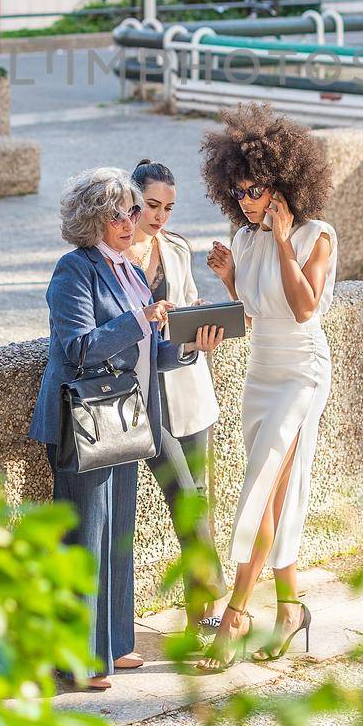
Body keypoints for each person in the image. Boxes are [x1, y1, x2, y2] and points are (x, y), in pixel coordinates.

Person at [29, 166, 215, 690]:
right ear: (94, 220)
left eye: (132, 211)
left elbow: (147, 352)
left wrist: (186, 345)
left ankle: (112, 645)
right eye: (119, 214)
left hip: (124, 417)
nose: (130, 221)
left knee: (116, 534)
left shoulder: (125, 271)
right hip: (82, 420)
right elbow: (78, 348)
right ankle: (76, 658)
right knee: (85, 535)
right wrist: (139, 320)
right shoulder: (75, 269)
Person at [197, 105, 337, 670]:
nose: (248, 200)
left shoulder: (315, 236)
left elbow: (304, 308)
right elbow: (252, 316)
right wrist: (232, 278)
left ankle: (234, 617)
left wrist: (282, 242)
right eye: (239, 191)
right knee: (273, 494)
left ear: (284, 183)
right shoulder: (245, 238)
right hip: (261, 374)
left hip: (302, 374)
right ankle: (289, 609)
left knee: (256, 491)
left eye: (256, 189)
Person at [127, 158, 227, 629]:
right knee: (183, 493)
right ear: (130, 199)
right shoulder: (115, 254)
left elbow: (185, 302)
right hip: (145, 396)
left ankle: (198, 616)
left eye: (168, 207)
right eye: (151, 205)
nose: (160, 216)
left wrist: (196, 319)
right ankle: (219, 585)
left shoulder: (177, 249)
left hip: (188, 382)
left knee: (199, 496)